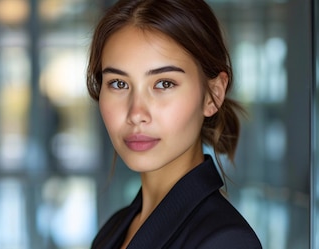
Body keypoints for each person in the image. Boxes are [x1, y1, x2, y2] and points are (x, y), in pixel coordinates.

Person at [86, 0, 262, 248]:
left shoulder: (225, 241)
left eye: (164, 84)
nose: (136, 113)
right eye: (119, 84)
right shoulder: (114, 229)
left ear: (213, 94)